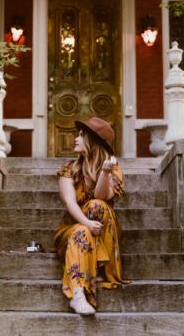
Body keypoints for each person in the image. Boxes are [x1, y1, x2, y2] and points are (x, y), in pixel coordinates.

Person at [54, 117, 128, 315]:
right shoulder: (68, 169)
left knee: (98, 206)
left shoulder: (113, 169)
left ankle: (90, 274)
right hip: (71, 230)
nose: (76, 138)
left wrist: (104, 173)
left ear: (92, 141)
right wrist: (86, 222)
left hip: (101, 229)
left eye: (81, 135)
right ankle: (78, 294)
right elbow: (70, 202)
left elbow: (102, 197)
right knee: (81, 231)